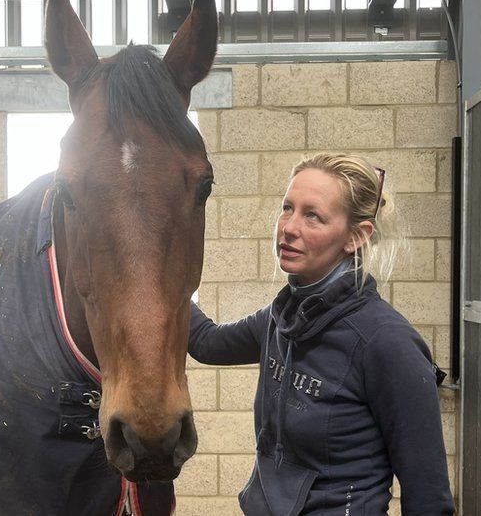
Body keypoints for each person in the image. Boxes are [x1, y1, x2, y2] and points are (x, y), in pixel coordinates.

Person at [189, 153, 455, 515]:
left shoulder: (386, 342)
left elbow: (429, 499)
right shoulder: (280, 319)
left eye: (312, 215)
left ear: (355, 237)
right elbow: (206, 342)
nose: (289, 227)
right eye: (287, 208)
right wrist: (153, 274)